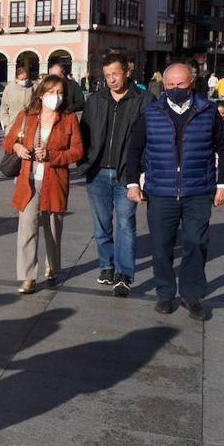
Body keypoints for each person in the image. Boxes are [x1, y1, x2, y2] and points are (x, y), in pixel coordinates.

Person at [123, 63, 224, 321]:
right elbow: (134, 149)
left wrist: (223, 184)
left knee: (196, 242)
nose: (175, 89)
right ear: (164, 85)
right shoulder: (151, 113)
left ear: (192, 83)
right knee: (161, 245)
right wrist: (132, 183)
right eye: (170, 85)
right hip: (161, 191)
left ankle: (191, 294)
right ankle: (165, 292)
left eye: (180, 84)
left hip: (198, 190)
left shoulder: (207, 112)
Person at [3, 75, 84, 294]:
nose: (55, 97)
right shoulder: (26, 116)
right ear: (41, 94)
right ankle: (28, 276)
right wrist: (17, 148)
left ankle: (52, 266)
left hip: (55, 181)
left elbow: (77, 151)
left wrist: (52, 155)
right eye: (50, 92)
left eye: (59, 93)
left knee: (53, 227)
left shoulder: (68, 119)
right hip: (27, 181)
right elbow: (8, 140)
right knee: (27, 229)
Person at [78, 53, 148, 298]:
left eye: (115, 74)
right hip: (96, 172)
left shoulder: (143, 100)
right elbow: (83, 132)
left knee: (125, 224)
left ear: (127, 72)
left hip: (126, 174)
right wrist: (83, 161)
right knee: (101, 226)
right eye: (107, 76)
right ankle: (106, 267)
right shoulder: (96, 100)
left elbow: (150, 138)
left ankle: (124, 275)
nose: (111, 80)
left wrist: (143, 172)